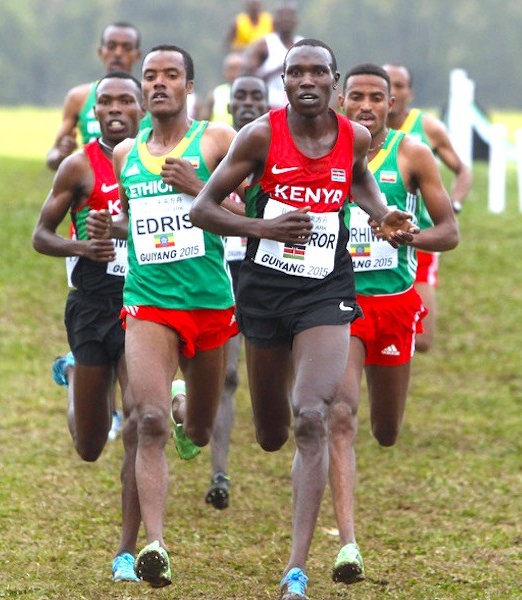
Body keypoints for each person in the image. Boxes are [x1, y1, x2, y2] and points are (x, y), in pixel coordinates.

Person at [190, 38, 416, 600]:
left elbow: (357, 177)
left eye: (318, 72)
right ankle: (194, 408)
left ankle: (296, 569)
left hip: (326, 289)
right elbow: (203, 208)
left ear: (334, 83)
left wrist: (381, 212)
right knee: (272, 434)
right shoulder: (259, 136)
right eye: (296, 72)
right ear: (284, 81)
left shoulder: (352, 136)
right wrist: (263, 228)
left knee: (313, 415)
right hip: (265, 292)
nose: (307, 81)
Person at [85, 45, 239, 589]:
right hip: (148, 301)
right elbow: (135, 222)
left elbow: (252, 216)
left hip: (210, 303)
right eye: (150, 75)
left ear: (189, 86)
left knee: (197, 429)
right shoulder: (127, 153)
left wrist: (198, 190)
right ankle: (155, 546)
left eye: (171, 75)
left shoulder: (217, 140)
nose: (158, 83)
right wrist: (111, 228)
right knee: (144, 422)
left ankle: (185, 411)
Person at [329, 62, 460, 585]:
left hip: (394, 305)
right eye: (356, 97)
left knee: (385, 431)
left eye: (375, 98)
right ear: (341, 102)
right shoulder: (326, 153)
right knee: (340, 416)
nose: (365, 106)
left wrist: (408, 237)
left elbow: (449, 231)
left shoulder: (412, 154)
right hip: (339, 304)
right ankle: (347, 544)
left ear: (392, 104)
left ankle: (351, 530)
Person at [30, 71, 144, 584]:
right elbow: (41, 235)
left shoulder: (159, 162)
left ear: (142, 109)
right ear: (93, 113)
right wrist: (82, 246)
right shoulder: (79, 166)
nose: (115, 109)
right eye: (105, 103)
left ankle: (127, 551)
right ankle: (76, 372)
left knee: (141, 423)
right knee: (91, 446)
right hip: (92, 305)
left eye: (125, 101)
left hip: (144, 302)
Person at [204, 74, 270, 511]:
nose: (247, 103)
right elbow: (202, 204)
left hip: (268, 270)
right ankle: (220, 472)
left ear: (266, 104)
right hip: (222, 270)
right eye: (240, 96)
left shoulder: (277, 151)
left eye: (255, 97)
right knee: (226, 377)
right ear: (229, 107)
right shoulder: (211, 150)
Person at [383, 63, 468, 353]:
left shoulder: (428, 128)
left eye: (400, 85)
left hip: (419, 237)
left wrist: (454, 203)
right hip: (369, 238)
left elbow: (462, 170)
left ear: (410, 92)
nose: (394, 92)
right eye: (388, 85)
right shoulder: (359, 131)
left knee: (421, 340)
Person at [46, 22, 143, 172]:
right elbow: (52, 157)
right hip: (92, 181)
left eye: (126, 47)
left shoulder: (151, 99)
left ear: (137, 55)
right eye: (111, 46)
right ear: (101, 52)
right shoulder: (78, 98)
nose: (118, 53)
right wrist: (61, 154)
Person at [242, 2, 303, 109]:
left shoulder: (303, 45)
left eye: (290, 16)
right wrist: (278, 70)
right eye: (282, 16)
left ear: (296, 20)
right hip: (270, 106)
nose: (286, 19)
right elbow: (249, 77)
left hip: (297, 106)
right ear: (275, 20)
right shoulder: (264, 44)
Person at [200, 52, 243, 126]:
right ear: (225, 72)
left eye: (238, 69)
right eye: (231, 69)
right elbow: (203, 123)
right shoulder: (215, 94)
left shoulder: (251, 94)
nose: (235, 73)